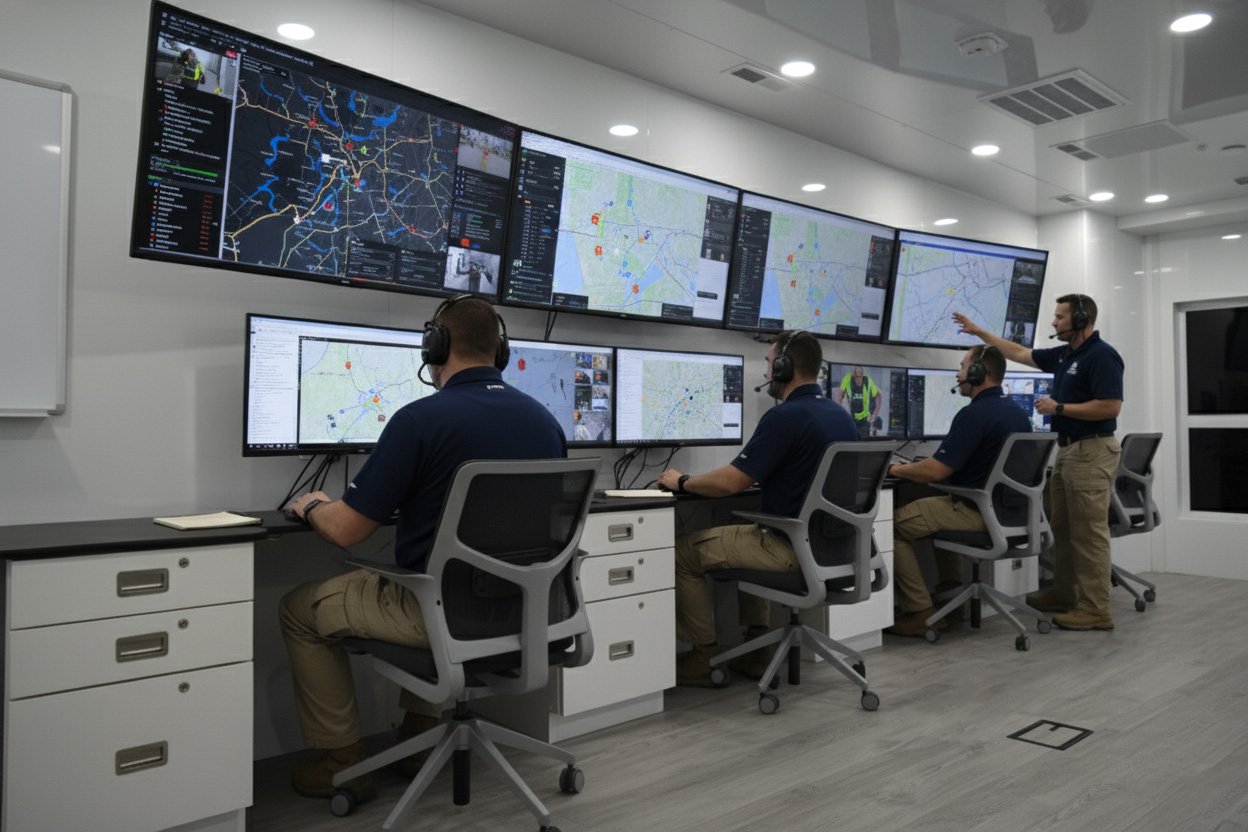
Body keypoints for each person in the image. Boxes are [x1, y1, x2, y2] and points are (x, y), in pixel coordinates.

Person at [279, 295, 565, 800]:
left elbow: (346, 531)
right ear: (498, 352)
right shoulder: (546, 422)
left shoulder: (420, 420)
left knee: (300, 608)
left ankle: (342, 761)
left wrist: (312, 507)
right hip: (526, 609)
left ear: (435, 346)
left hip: (444, 613)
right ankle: (415, 741)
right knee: (433, 580)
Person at [656, 331, 858, 686]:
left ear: (784, 367)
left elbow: (732, 483)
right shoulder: (841, 416)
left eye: (768, 364)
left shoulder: (785, 417)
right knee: (749, 532)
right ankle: (756, 649)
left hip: (790, 548)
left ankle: (703, 657)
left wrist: (682, 482)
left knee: (683, 554)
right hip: (834, 548)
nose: (766, 374)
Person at [953, 293, 1123, 630]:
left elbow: (1110, 407)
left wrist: (1060, 409)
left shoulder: (1102, 357)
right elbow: (1018, 353)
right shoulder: (1066, 354)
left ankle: (1095, 609)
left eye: (1060, 317)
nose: (1053, 322)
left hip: (1091, 450)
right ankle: (1064, 593)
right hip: (1069, 451)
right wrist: (980, 333)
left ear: (1080, 320)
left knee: (1089, 534)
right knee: (1065, 529)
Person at [885, 345, 1032, 635]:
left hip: (978, 512)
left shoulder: (974, 415)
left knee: (892, 528)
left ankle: (921, 612)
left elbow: (937, 470)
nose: (958, 373)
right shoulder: (1016, 412)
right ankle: (951, 598)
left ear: (979, 373)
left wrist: (894, 469)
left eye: (963, 367)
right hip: (1009, 513)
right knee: (934, 507)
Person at [835, 365, 882, 438]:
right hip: (851, 419)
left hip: (865, 420)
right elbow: (839, 395)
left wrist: (874, 415)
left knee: (863, 442)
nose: (858, 379)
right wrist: (839, 413)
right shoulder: (847, 379)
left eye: (860, 376)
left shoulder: (868, 380)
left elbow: (879, 395)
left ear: (863, 375)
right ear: (853, 375)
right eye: (856, 376)